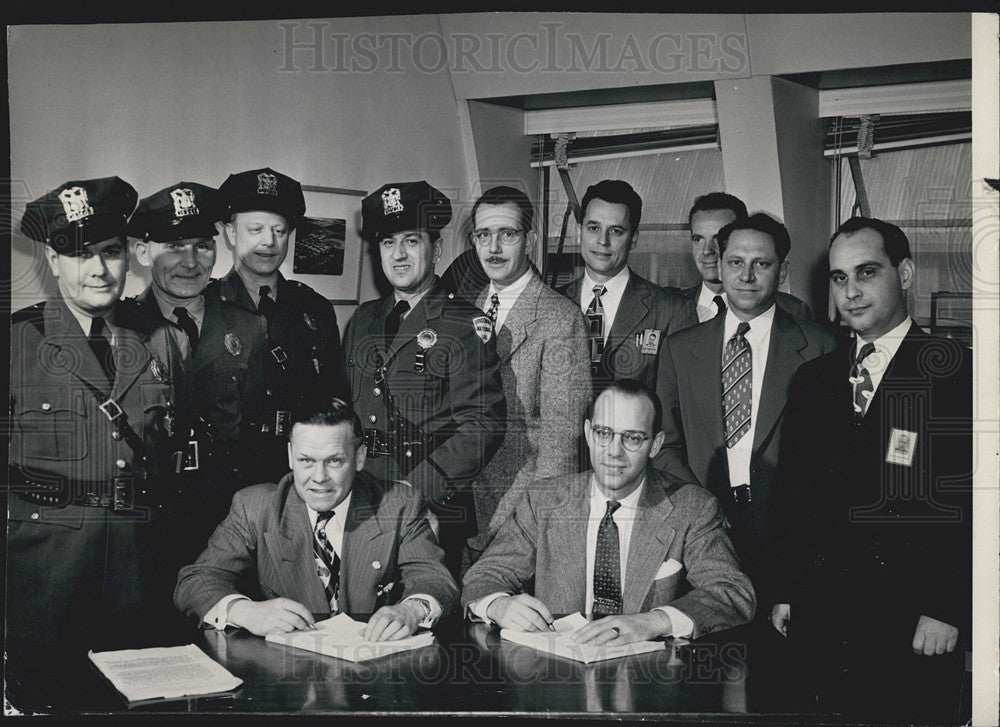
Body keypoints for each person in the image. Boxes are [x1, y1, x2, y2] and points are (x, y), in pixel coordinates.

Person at [768, 217, 972, 722]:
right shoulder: (814, 380)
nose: (851, 292)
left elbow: (977, 505)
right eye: (839, 278)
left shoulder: (957, 373)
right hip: (821, 622)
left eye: (867, 273)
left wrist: (949, 606)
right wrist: (786, 591)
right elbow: (793, 497)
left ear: (904, 274)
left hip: (913, 627)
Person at [8, 177, 182, 705]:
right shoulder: (16, 343)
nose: (99, 269)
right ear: (53, 261)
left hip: (138, 578)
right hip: (46, 583)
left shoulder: (157, 341)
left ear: (129, 256)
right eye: (81, 255)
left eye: (111, 252)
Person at [462, 380, 755, 643]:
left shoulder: (693, 508)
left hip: (648, 682)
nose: (614, 451)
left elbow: (732, 591)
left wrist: (654, 621)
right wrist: (499, 605)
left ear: (655, 445)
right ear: (588, 433)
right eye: (604, 433)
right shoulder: (544, 501)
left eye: (633, 438)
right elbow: (485, 575)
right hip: (557, 677)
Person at [175, 399, 459, 640]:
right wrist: (245, 611)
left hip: (372, 674)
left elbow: (435, 580)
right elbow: (196, 581)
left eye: (334, 461)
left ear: (359, 458)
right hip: (286, 681)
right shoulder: (255, 506)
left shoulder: (398, 504)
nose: (319, 477)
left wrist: (411, 609)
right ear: (289, 456)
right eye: (306, 461)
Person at [654, 213, 835, 586]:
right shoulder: (680, 349)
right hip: (702, 531)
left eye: (762, 264)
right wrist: (700, 505)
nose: (746, 276)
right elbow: (665, 444)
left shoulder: (820, 347)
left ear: (782, 271)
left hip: (789, 536)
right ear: (720, 265)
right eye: (735, 262)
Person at [343, 180, 506, 579]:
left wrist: (419, 492)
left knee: (423, 619)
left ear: (435, 249)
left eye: (411, 241)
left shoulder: (465, 325)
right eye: (387, 242)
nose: (398, 255)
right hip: (362, 499)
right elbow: (344, 410)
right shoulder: (362, 320)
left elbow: (482, 425)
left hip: (429, 506)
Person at [125, 181, 267, 567]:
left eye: (203, 245)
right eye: (174, 246)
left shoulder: (249, 328)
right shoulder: (119, 329)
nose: (191, 261)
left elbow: (255, 433)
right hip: (145, 521)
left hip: (226, 521)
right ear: (142, 252)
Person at [462, 186, 591, 569]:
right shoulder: (462, 309)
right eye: (484, 235)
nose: (494, 247)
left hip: (519, 515)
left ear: (531, 241)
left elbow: (560, 442)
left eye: (508, 234)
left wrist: (532, 527)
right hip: (463, 506)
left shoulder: (560, 318)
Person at [209, 167, 346, 482]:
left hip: (297, 476)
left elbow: (333, 398)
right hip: (221, 478)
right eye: (255, 229)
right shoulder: (206, 305)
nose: (268, 242)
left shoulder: (316, 309)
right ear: (231, 233)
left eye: (279, 230)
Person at [559, 180, 697, 394]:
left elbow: (676, 408)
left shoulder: (672, 311)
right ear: (579, 233)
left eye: (616, 231)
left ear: (633, 239)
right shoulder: (553, 303)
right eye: (594, 228)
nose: (602, 241)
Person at [678, 192, 811, 322]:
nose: (707, 251)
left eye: (718, 238)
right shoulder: (672, 306)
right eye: (698, 239)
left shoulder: (792, 310)